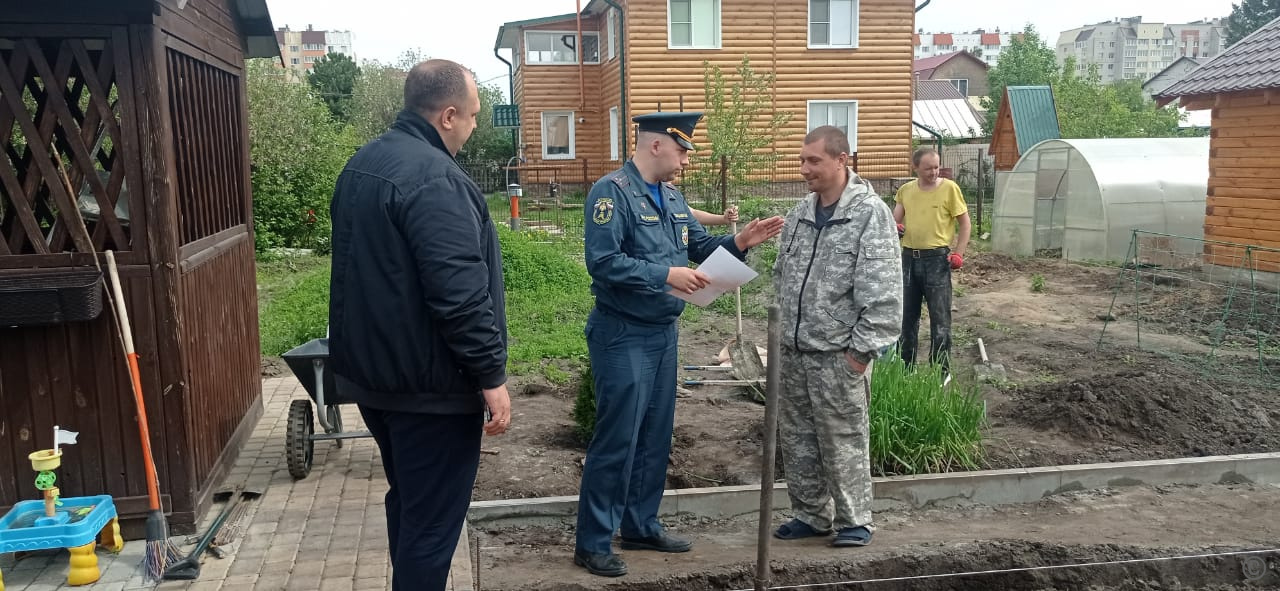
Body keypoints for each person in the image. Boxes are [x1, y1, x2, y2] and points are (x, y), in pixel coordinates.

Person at [327, 59, 511, 591]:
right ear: (448, 116)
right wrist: (490, 375)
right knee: (431, 525)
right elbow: (459, 294)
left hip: (376, 380)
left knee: (410, 502)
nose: (474, 127)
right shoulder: (436, 180)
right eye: (473, 115)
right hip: (430, 390)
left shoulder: (364, 162)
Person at [575, 111, 784, 577]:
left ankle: (640, 525)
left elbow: (699, 246)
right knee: (618, 438)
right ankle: (593, 542)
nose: (687, 159)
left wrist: (740, 241)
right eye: (682, 149)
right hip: (623, 334)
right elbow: (602, 262)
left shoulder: (671, 197)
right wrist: (664, 275)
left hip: (663, 333)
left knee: (655, 435)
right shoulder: (612, 193)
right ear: (656, 145)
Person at [772, 126, 903, 548]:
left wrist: (859, 354)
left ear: (842, 159)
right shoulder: (800, 213)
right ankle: (810, 514)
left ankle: (854, 520)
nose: (804, 168)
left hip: (838, 355)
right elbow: (782, 276)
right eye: (801, 160)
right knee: (798, 439)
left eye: (814, 160)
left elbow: (884, 293)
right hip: (795, 352)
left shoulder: (869, 214)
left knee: (843, 439)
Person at [893, 147, 971, 373]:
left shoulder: (950, 189)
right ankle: (905, 370)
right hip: (908, 259)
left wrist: (958, 253)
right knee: (906, 319)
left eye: (937, 167)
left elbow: (965, 223)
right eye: (928, 168)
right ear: (915, 167)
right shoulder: (906, 191)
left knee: (940, 319)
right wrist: (895, 227)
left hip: (937, 260)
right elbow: (894, 221)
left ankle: (940, 372)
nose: (934, 172)